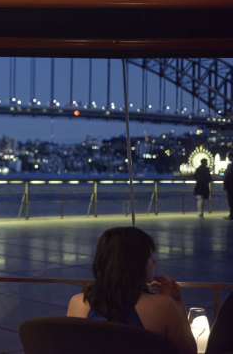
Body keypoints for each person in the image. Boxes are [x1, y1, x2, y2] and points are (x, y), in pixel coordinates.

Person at [67, 226, 196, 354]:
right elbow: (189, 351)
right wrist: (177, 301)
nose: (154, 262)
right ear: (137, 263)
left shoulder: (78, 303)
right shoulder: (163, 306)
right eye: (149, 256)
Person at [224, 151, 233, 220]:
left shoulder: (230, 166)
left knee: (231, 200)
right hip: (230, 186)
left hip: (230, 186)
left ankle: (231, 214)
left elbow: (228, 175)